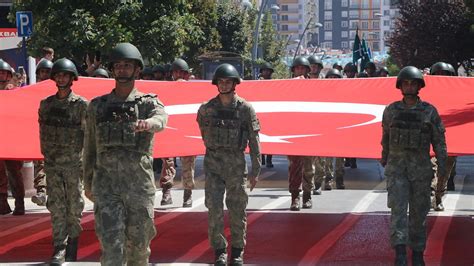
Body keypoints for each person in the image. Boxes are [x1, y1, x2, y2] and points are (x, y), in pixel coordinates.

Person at [83, 42, 168, 265]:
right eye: (118, 65)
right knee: (111, 247)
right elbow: (90, 147)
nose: (122, 69)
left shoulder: (149, 103)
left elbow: (161, 120)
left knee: (139, 249)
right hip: (106, 188)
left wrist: (148, 123)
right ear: (112, 70)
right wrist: (87, 182)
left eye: (127, 65)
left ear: (137, 69)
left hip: (139, 188)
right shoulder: (97, 107)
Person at [380, 66, 447, 266]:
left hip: (420, 172)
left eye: (413, 83)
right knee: (398, 212)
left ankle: (417, 253)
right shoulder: (391, 111)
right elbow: (386, 138)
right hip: (397, 170)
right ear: (400, 86)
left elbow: (439, 141)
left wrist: (443, 167)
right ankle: (400, 253)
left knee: (419, 214)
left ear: (419, 86)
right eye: (406, 83)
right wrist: (384, 158)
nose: (409, 86)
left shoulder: (429, 111)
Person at [197, 63, 260, 265]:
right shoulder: (206, 109)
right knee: (214, 209)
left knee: (237, 209)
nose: (224, 85)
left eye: (228, 81)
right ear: (216, 84)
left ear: (235, 83)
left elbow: (254, 140)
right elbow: (203, 133)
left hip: (236, 165)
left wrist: (256, 169)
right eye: (221, 81)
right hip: (213, 165)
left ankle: (237, 251)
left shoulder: (245, 109)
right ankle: (219, 251)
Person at [38, 58, 88, 264]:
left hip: (74, 165)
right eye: (58, 75)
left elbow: (89, 136)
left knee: (74, 206)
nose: (61, 78)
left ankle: (73, 242)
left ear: (72, 78)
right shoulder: (46, 105)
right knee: (56, 206)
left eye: (65, 75)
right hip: (53, 164)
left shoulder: (81, 105)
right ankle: (59, 246)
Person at [159, 58, 196, 207]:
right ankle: (166, 192)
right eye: (176, 72)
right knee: (167, 163)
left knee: (188, 164)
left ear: (187, 74)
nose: (178, 75)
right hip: (170, 131)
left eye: (181, 72)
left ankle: (188, 194)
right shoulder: (166, 89)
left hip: (187, 132)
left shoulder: (194, 91)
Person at [287, 57, 317, 210]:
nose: (300, 71)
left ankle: (307, 195)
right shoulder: (286, 87)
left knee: (309, 167)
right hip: (292, 134)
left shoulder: (314, 87)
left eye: (302, 68)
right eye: (297, 68)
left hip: (309, 133)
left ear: (307, 70)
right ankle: (294, 197)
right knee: (294, 167)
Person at [428, 61, 458, 211]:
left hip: (450, 139)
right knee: (430, 169)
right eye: (438, 74)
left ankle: (438, 197)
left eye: (444, 74)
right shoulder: (425, 93)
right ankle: (430, 195)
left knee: (444, 172)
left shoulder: (459, 93)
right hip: (430, 138)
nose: (441, 77)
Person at [0, 59, 25, 216]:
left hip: (12, 138)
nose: (1, 75)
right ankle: (2, 202)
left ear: (9, 75)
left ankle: (19, 202)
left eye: (4, 72)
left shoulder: (14, 92)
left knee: (15, 172)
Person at [31, 58, 54, 207]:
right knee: (40, 162)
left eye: (47, 71)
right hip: (37, 133)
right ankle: (41, 191)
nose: (44, 74)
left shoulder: (58, 90)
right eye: (42, 71)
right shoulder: (32, 91)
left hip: (57, 136)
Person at [325, 69, 346, 189]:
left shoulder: (344, 94)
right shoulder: (322, 93)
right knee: (327, 158)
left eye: (335, 77)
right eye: (330, 77)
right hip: (326, 130)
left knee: (340, 158)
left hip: (340, 130)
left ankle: (340, 178)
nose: (333, 79)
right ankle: (328, 179)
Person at [258, 61, 274, 168]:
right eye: (264, 70)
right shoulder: (257, 83)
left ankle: (269, 159)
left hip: (271, 115)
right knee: (260, 139)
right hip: (260, 114)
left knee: (271, 138)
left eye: (268, 71)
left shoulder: (274, 83)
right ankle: (262, 158)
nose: (266, 72)